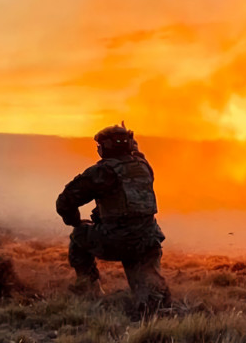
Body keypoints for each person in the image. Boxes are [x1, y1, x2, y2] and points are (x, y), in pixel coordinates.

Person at [55, 124, 171, 317]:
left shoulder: (103, 172)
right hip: (148, 240)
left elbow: (65, 201)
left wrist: (75, 221)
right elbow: (136, 158)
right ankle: (156, 308)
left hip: (118, 240)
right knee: (150, 294)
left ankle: (88, 289)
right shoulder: (143, 166)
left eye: (100, 145)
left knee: (79, 235)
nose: (98, 149)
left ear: (107, 147)